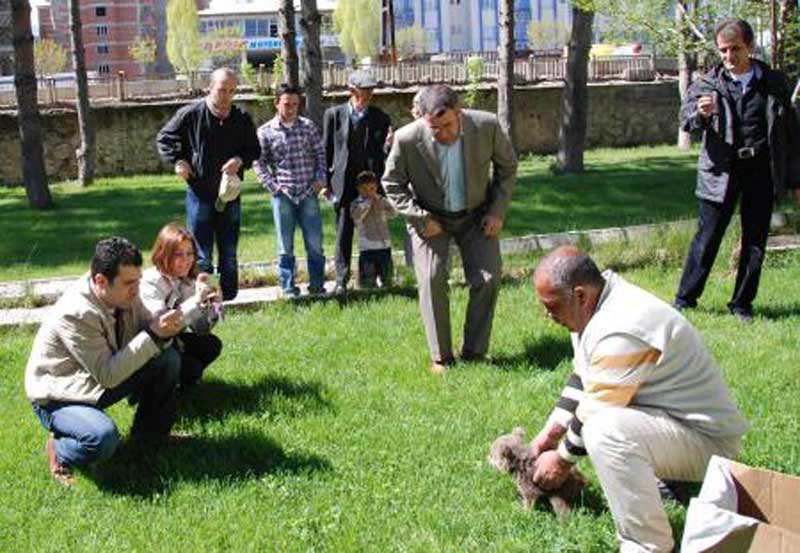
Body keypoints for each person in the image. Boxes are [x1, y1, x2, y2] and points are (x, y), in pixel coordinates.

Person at [530, 246, 749, 553]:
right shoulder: (594, 304)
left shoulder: (622, 325)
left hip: (712, 446)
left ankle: (648, 544)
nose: (547, 315)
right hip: (678, 425)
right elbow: (584, 376)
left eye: (551, 307)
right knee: (605, 423)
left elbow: (597, 407)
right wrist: (550, 432)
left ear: (579, 295)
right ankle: (667, 480)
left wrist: (562, 459)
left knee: (605, 431)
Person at [25, 237, 184, 485]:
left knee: (168, 360)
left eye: (138, 281)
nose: (136, 289)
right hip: (59, 396)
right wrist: (154, 334)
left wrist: (163, 320)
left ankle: (150, 436)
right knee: (103, 439)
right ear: (100, 281)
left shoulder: (123, 292)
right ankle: (60, 449)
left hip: (95, 379)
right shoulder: (76, 312)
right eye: (129, 283)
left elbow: (146, 321)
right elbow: (108, 375)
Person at [383, 84, 517, 373]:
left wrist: (497, 211)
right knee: (431, 279)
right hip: (430, 218)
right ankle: (441, 357)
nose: (439, 133)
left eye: (446, 125)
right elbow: (391, 184)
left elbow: (507, 168)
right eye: (433, 127)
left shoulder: (487, 126)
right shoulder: (407, 139)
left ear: (459, 113)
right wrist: (420, 218)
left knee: (489, 277)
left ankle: (475, 352)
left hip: (477, 215)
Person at [673, 19, 800, 323]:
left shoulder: (774, 82)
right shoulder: (707, 83)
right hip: (720, 172)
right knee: (707, 238)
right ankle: (684, 300)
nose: (729, 57)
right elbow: (685, 120)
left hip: (762, 169)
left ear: (751, 46)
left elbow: (791, 136)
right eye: (723, 51)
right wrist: (699, 115)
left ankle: (742, 304)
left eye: (735, 49)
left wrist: (796, 180)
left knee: (755, 241)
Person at [156, 67, 261, 301]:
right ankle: (206, 296)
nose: (227, 96)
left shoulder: (240, 117)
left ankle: (229, 296)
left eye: (232, 91)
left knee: (229, 251)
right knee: (201, 253)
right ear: (210, 88)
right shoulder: (191, 114)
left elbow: (254, 149)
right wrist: (179, 162)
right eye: (222, 90)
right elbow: (165, 138)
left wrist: (240, 160)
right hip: (200, 192)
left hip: (229, 194)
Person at [323, 70, 393, 295]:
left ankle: (377, 276)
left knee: (374, 230)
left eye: (371, 90)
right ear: (352, 91)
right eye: (364, 90)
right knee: (344, 232)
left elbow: (383, 153)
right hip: (343, 184)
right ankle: (342, 280)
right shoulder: (333, 115)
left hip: (370, 184)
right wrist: (326, 184)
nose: (369, 94)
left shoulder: (381, 117)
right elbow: (326, 151)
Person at [254, 85, 326, 298]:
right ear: (277, 103)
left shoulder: (308, 127)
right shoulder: (266, 131)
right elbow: (259, 162)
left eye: (295, 104)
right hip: (283, 195)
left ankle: (317, 286)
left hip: (308, 193)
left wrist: (320, 180)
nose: (291, 108)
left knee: (314, 244)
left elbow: (320, 155)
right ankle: (288, 287)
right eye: (287, 104)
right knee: (285, 246)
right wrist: (272, 187)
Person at [140, 223, 223, 391]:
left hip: (171, 341)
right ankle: (151, 390)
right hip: (148, 347)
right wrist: (196, 301)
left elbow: (201, 330)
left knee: (211, 345)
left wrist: (215, 304)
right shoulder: (150, 282)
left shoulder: (187, 280)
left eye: (190, 253)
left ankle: (177, 386)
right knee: (191, 368)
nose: (186, 260)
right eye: (178, 254)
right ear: (163, 254)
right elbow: (163, 324)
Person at [350, 170, 396, 289]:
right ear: (358, 189)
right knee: (368, 279)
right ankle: (368, 291)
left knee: (387, 275)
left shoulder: (381, 200)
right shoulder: (356, 203)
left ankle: (387, 290)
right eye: (364, 189)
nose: (369, 193)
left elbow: (393, 212)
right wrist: (366, 205)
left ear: (376, 187)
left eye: (372, 189)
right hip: (367, 247)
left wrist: (384, 211)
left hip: (384, 245)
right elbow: (356, 216)